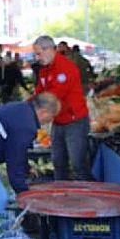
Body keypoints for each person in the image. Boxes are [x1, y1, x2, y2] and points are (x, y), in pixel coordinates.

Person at [33, 36, 93, 181]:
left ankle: (87, 196)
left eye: (39, 53)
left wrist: (31, 108)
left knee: (78, 163)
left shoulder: (65, 67)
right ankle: (61, 193)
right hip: (59, 121)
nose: (36, 58)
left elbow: (53, 96)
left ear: (49, 49)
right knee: (58, 162)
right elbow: (39, 92)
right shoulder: (44, 70)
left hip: (75, 121)